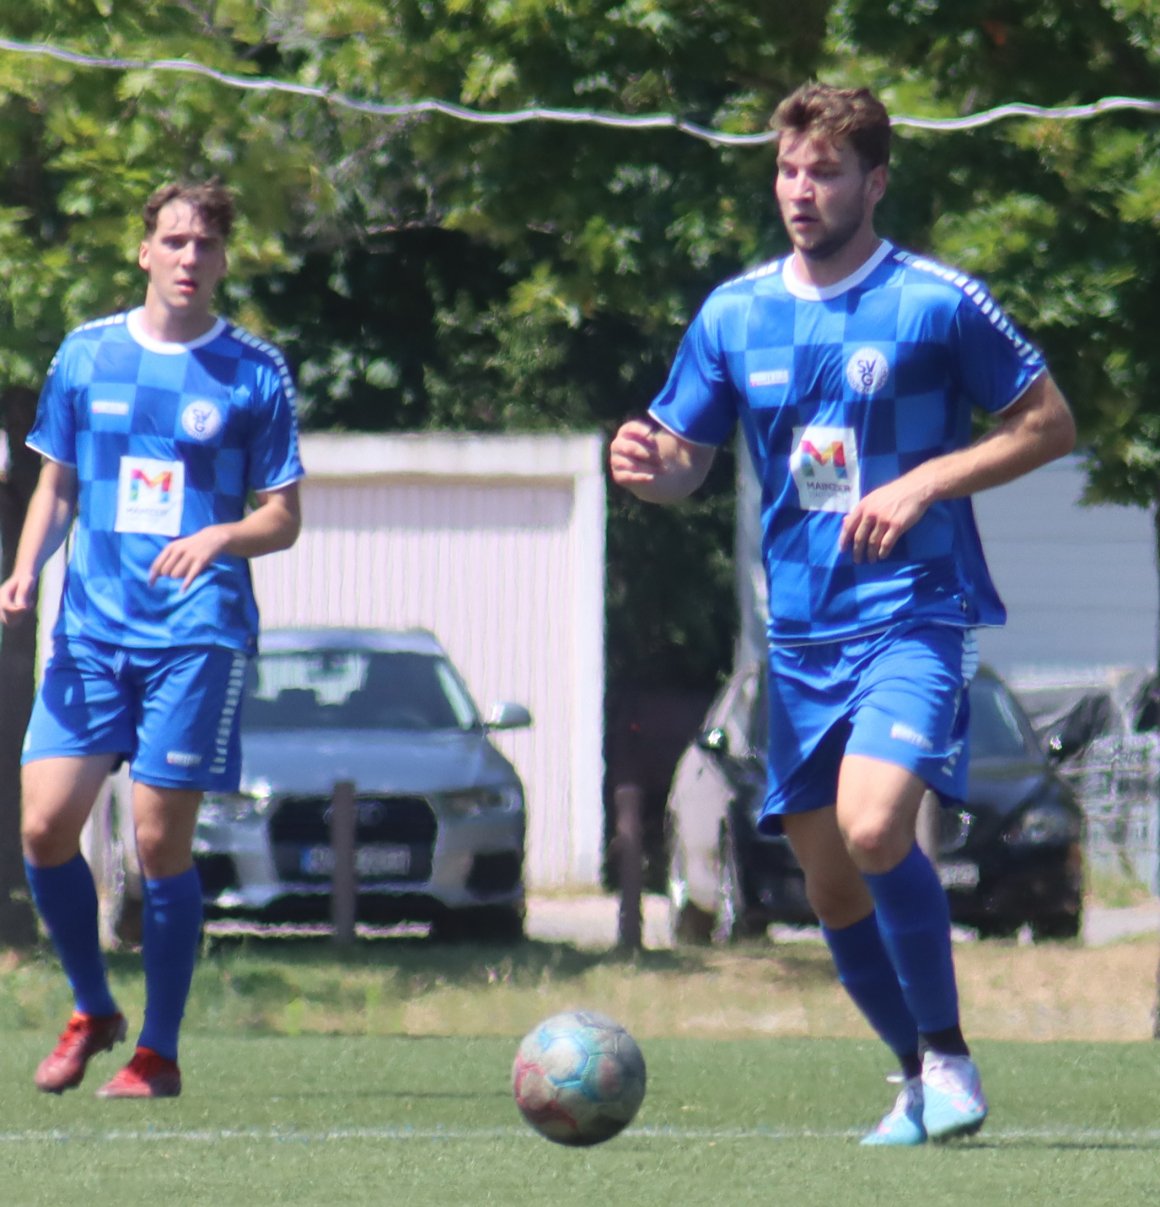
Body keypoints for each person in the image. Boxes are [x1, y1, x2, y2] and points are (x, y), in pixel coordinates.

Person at [609, 83, 1075, 1145]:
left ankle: (949, 1055)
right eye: (787, 170)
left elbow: (1046, 424)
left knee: (873, 828)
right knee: (827, 885)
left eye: (823, 171)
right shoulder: (734, 313)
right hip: (800, 633)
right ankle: (913, 1075)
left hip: (914, 607)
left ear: (873, 179)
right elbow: (683, 461)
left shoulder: (934, 301)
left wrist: (925, 484)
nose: (801, 190)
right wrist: (645, 466)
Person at [0, 179, 304, 1098]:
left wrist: (220, 535)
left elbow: (284, 517)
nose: (187, 257)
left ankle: (158, 1052)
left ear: (222, 260)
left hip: (196, 636)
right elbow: (55, 484)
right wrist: (25, 569)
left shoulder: (254, 372)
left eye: (204, 244)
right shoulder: (87, 356)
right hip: (90, 631)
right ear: (144, 252)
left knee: (155, 843)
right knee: (45, 826)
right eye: (172, 240)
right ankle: (94, 1006)